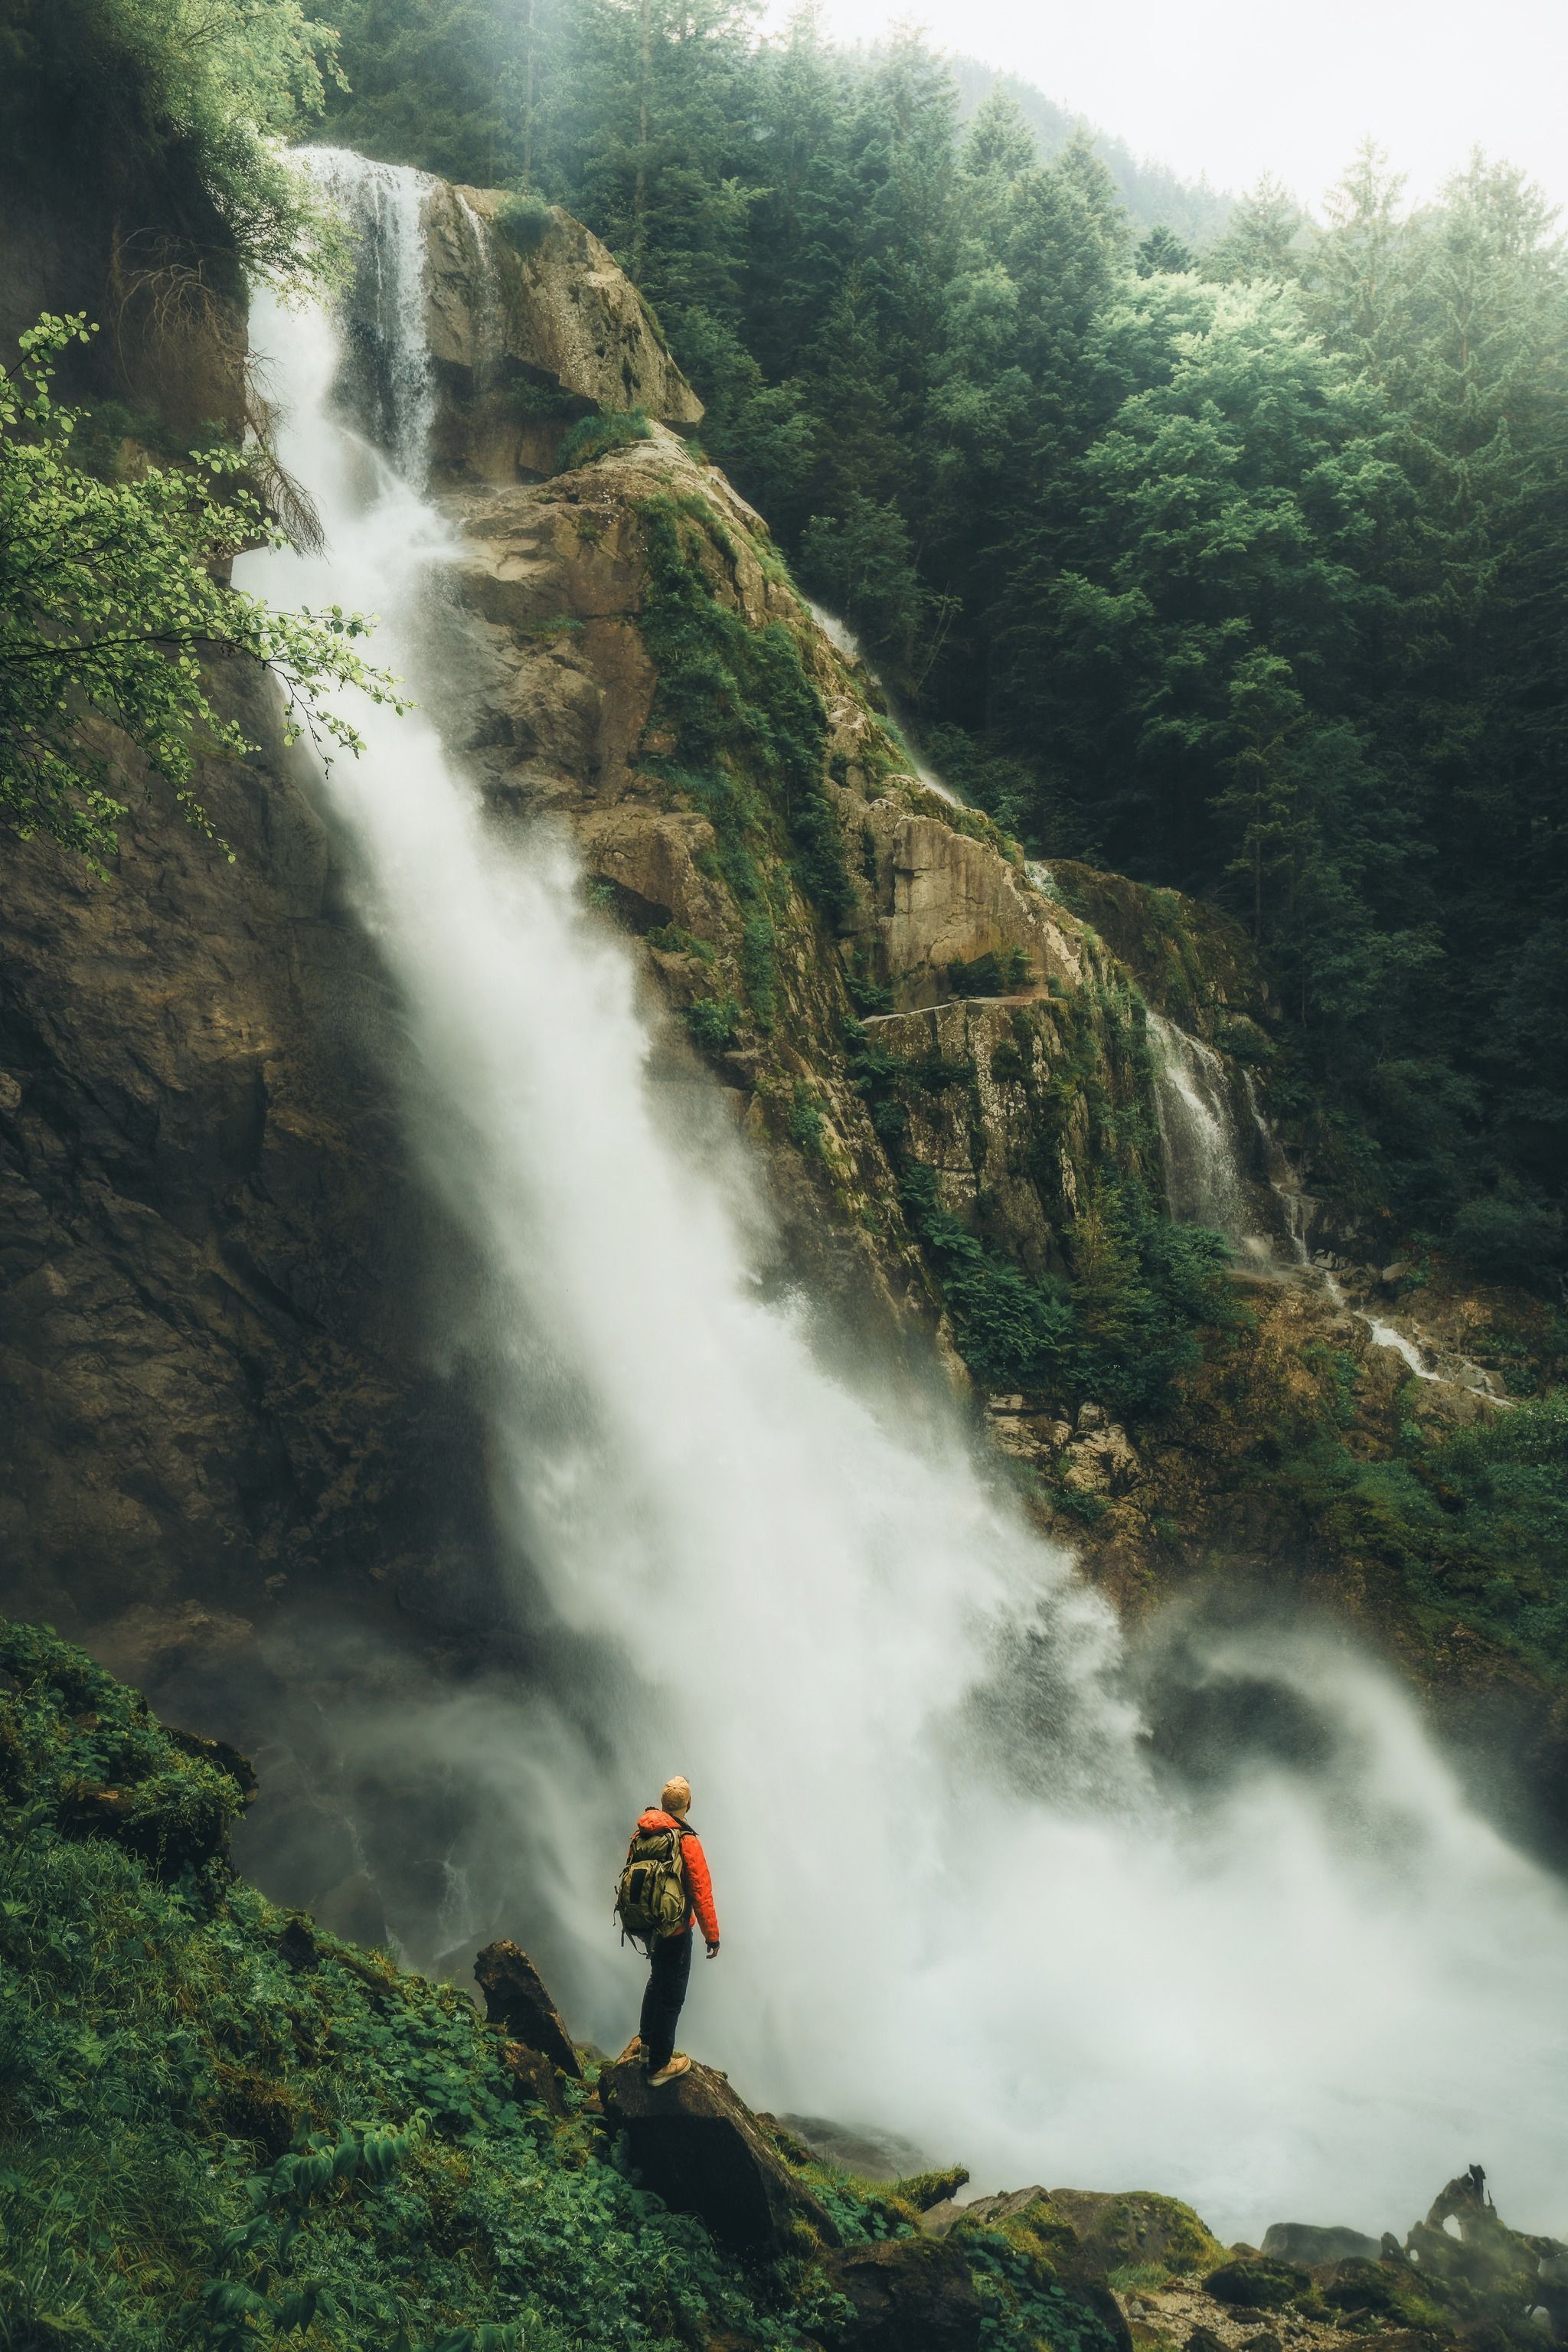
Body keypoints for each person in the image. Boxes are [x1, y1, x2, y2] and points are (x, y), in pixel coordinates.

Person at [626, 1774, 719, 2086]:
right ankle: (660, 2066)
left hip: (649, 1926)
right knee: (672, 1997)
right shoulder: (686, 1840)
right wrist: (712, 1936)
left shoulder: (641, 1833)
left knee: (656, 1981)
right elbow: (701, 1892)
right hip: (676, 1930)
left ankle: (646, 2046)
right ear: (688, 1805)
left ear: (664, 1803)